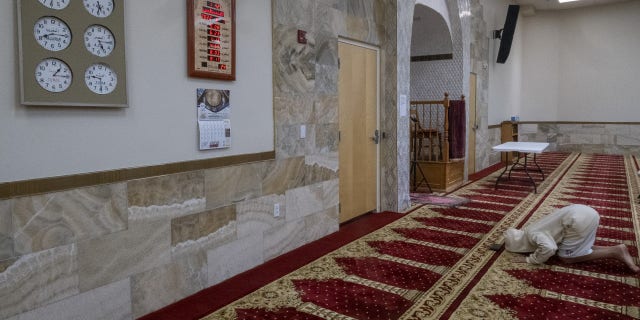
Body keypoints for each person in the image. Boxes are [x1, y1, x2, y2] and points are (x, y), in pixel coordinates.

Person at [502, 204, 640, 273]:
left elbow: (550, 248)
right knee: (579, 247)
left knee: (566, 257)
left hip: (576, 221)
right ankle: (617, 249)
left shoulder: (533, 235)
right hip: (586, 213)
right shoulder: (529, 230)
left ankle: (614, 252)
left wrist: (530, 259)